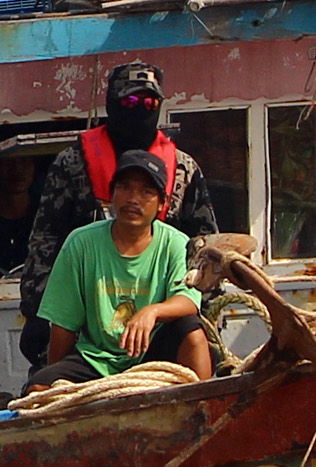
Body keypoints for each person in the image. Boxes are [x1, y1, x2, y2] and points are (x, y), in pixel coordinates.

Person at [16, 61, 221, 369]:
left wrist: (205, 311)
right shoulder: (73, 163)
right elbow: (45, 239)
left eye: (149, 102)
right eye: (130, 101)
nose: (140, 109)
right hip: (91, 311)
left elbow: (207, 248)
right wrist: (35, 311)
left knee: (196, 340)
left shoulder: (184, 169)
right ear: (112, 104)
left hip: (162, 313)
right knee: (44, 384)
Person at [28, 153, 214, 388]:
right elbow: (64, 322)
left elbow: (189, 301)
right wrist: (55, 379)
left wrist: (151, 312)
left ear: (161, 203)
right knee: (38, 388)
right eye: (124, 187)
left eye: (146, 191)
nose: (133, 199)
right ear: (111, 195)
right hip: (97, 359)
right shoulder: (81, 242)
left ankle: (205, 411)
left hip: (152, 356)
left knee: (192, 331)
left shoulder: (176, 243)